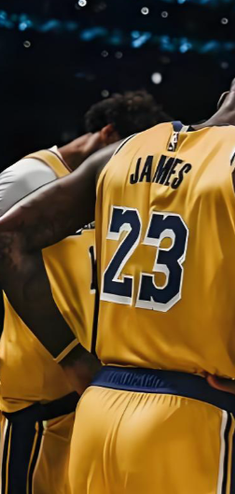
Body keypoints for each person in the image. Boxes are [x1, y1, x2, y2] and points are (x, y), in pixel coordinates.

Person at [0, 65, 235, 493]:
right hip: (198, 415)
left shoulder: (121, 153)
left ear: (224, 101)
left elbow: (9, 236)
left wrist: (71, 357)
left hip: (99, 410)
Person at [0, 90, 169, 494]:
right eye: (124, 148)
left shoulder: (109, 187)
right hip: (36, 382)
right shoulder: (28, 178)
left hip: (87, 382)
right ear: (106, 134)